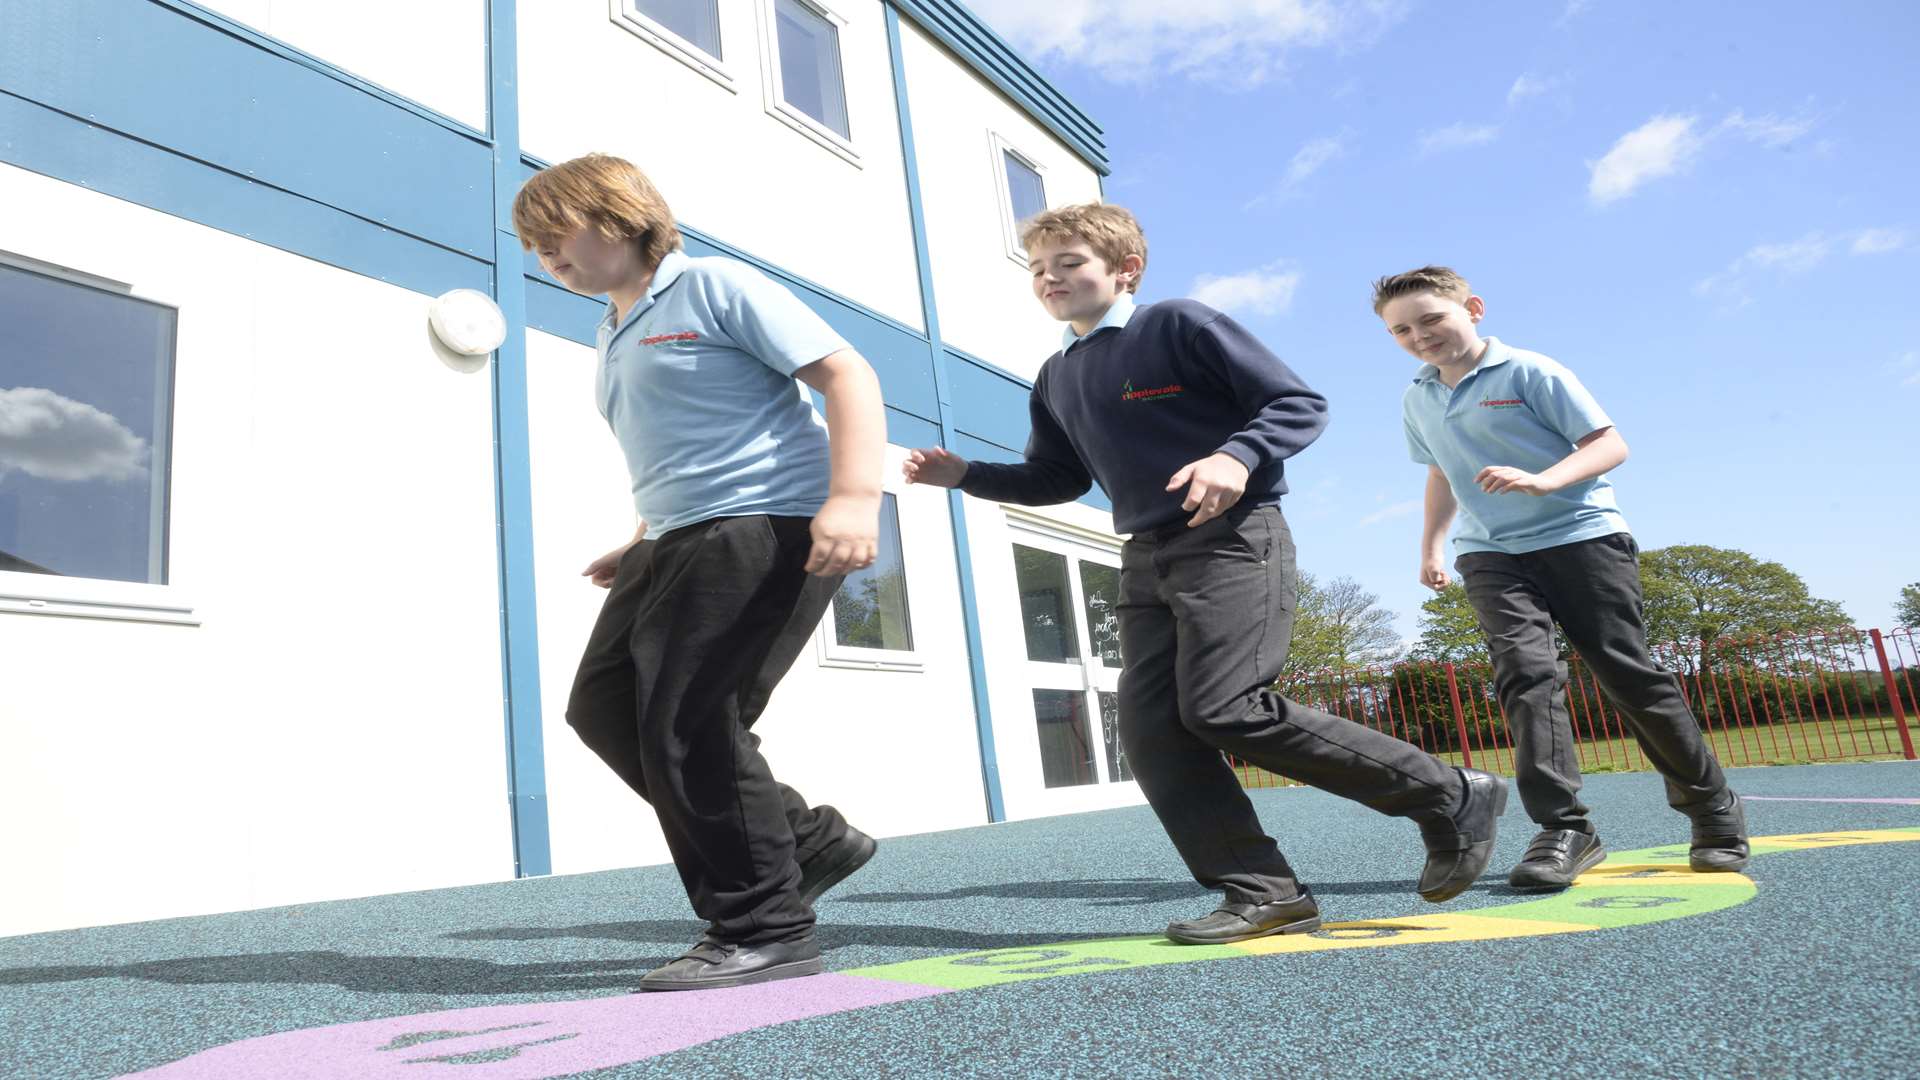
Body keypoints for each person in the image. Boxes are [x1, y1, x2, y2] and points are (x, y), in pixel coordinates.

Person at [905, 204, 1507, 945]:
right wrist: (965, 474)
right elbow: (1055, 477)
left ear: (1124, 270)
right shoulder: (1057, 374)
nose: (1050, 279)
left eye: (1069, 264)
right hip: (1146, 557)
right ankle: (1262, 890)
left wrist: (1235, 455)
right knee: (1154, 732)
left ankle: (1448, 794)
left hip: (1232, 538)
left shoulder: (1179, 325)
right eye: (1037, 269)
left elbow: (1297, 403)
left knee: (1226, 707)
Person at [512, 154, 884, 989]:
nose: (546, 255)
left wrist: (857, 498)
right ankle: (807, 841)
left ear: (619, 216)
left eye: (556, 232)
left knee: (691, 721)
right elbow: (682, 439)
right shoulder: (614, 326)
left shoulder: (713, 285)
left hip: (765, 522)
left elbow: (844, 373)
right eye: (533, 245)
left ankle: (766, 927)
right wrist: (640, 535)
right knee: (605, 709)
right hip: (675, 537)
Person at [1374, 265, 1748, 890]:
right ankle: (1566, 829)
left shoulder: (1531, 371)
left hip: (1580, 537)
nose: (1419, 334)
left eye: (1432, 318)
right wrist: (1432, 546)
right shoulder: (1419, 396)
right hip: (1489, 552)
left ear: (1474, 307)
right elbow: (1440, 472)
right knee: (1526, 675)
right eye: (1401, 329)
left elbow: (1608, 444)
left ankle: (1713, 812)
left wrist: (1545, 479)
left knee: (1626, 673)